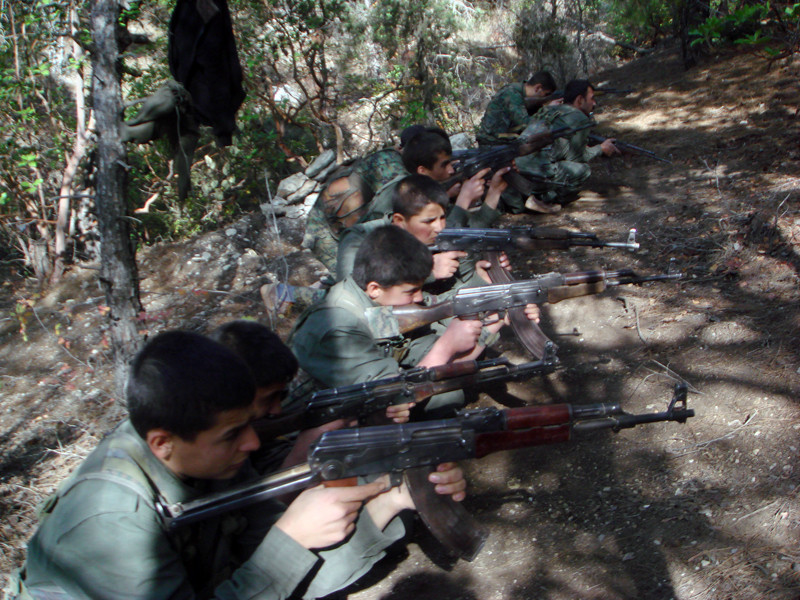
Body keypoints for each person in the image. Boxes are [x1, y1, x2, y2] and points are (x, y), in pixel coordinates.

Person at [12, 330, 466, 600]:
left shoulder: (209, 456)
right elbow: (272, 564)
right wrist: (290, 538)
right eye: (233, 434)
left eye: (249, 423)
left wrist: (392, 500)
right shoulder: (111, 521)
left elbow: (281, 575)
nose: (251, 443)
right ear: (162, 444)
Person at [290, 226, 539, 418]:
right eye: (411, 291)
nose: (420, 298)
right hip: (308, 427)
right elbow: (394, 399)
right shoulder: (337, 328)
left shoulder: (375, 301)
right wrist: (446, 347)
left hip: (362, 396)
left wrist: (495, 318)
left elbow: (442, 359)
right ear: (375, 288)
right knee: (440, 394)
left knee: (447, 390)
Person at [360, 127, 501, 227]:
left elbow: (471, 230)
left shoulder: (426, 188)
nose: (451, 170)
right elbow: (442, 239)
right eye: (444, 165)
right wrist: (464, 199)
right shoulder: (404, 193)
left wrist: (495, 191)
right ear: (422, 170)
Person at [514, 79, 621, 211]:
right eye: (592, 98)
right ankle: (545, 198)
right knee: (583, 170)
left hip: (515, 169)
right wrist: (601, 149)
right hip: (533, 174)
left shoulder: (549, 109)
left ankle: (529, 195)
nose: (594, 103)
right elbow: (576, 157)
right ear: (580, 100)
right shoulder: (579, 118)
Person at [476, 70, 558, 146]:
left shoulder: (518, 92)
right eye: (546, 95)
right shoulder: (512, 94)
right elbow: (526, 124)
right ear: (537, 88)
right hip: (491, 142)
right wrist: (548, 109)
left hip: (502, 138)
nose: (546, 98)